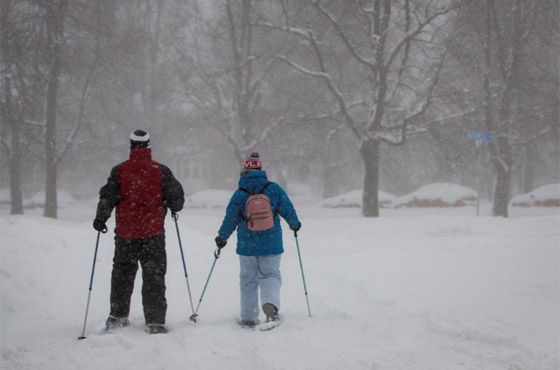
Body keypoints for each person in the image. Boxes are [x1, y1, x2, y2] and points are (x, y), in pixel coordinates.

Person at [93, 129, 184, 334]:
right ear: (148, 146)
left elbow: (108, 197)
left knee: (122, 273)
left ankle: (117, 316)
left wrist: (100, 219)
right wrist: (170, 204)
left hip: (126, 233)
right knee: (154, 275)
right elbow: (177, 200)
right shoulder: (161, 170)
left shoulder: (119, 171)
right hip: (153, 233)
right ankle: (155, 321)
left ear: (131, 146)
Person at [215, 152, 301, 327]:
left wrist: (222, 237)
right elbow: (287, 208)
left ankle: (248, 316)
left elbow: (230, 218)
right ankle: (270, 304)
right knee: (270, 274)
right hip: (271, 242)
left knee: (248, 279)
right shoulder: (274, 188)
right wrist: (295, 224)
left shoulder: (240, 193)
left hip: (247, 244)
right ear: (260, 169)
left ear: (245, 170)